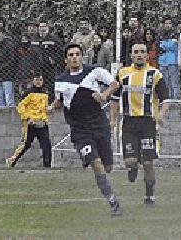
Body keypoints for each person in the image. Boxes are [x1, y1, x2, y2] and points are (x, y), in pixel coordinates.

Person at [49, 44, 124, 216]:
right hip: (80, 130)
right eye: (71, 55)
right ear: (66, 60)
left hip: (99, 125)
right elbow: (60, 101)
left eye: (77, 54)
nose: (74, 57)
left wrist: (104, 95)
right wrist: (52, 107)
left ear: (82, 57)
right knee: (96, 164)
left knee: (108, 167)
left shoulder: (94, 71)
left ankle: (108, 190)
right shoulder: (60, 80)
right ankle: (113, 202)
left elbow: (114, 84)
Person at [110, 42, 171, 206]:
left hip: (148, 123)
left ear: (147, 55)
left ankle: (149, 196)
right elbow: (114, 99)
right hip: (129, 122)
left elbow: (165, 100)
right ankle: (132, 167)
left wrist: (160, 114)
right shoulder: (122, 74)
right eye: (136, 52)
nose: (139, 55)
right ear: (131, 55)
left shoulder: (155, 74)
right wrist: (112, 119)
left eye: (142, 52)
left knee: (148, 163)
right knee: (130, 161)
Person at [7, 73, 53, 168]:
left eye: (40, 80)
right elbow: (20, 106)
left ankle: (47, 166)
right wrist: (28, 118)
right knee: (25, 144)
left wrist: (47, 111)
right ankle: (12, 161)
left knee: (46, 145)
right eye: (36, 80)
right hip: (30, 123)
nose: (38, 82)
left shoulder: (45, 93)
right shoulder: (28, 92)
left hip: (42, 122)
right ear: (33, 81)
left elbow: (44, 107)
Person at [157, 18, 180, 99]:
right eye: (166, 23)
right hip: (162, 61)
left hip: (172, 61)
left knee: (174, 82)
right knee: (165, 82)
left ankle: (175, 100)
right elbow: (159, 47)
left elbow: (174, 46)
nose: (168, 25)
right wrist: (167, 45)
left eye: (169, 23)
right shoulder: (160, 34)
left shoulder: (175, 34)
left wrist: (165, 46)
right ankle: (167, 99)